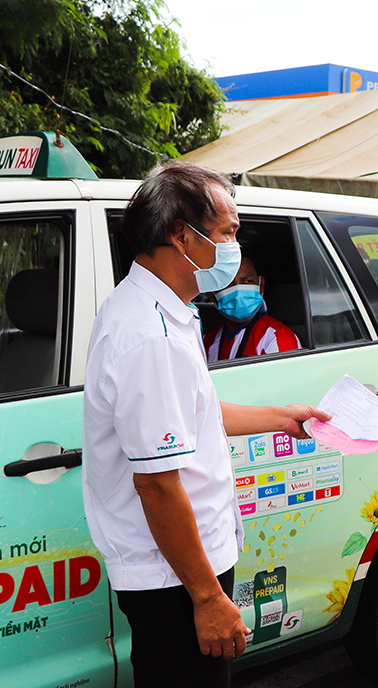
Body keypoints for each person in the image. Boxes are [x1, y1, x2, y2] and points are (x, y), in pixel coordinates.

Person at [81, 163, 329, 688]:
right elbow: (156, 483)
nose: (235, 247)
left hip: (182, 568)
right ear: (181, 234)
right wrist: (208, 598)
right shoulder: (150, 334)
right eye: (228, 232)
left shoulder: (167, 309)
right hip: (175, 579)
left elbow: (197, 414)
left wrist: (285, 419)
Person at [203, 254, 302, 361]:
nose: (238, 290)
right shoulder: (207, 341)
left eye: (248, 281)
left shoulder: (276, 340)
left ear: (261, 285)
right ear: (211, 295)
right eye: (227, 284)